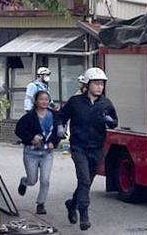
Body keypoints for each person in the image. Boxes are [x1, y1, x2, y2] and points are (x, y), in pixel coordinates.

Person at [58, 67, 118, 231]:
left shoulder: (106, 103)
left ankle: (72, 204)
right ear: (87, 84)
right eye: (96, 83)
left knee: (87, 182)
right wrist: (60, 127)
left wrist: (109, 120)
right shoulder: (75, 102)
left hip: (97, 148)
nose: (100, 87)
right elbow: (61, 116)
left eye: (102, 84)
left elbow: (115, 122)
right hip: (79, 147)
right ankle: (84, 215)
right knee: (84, 180)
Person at [15, 91, 61, 215]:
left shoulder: (54, 116)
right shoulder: (29, 117)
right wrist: (31, 138)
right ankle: (24, 182)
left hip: (47, 153)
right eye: (41, 99)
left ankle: (41, 203)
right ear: (35, 101)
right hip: (31, 153)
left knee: (45, 180)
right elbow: (19, 130)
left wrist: (54, 142)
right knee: (32, 179)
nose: (44, 101)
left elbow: (59, 131)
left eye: (47, 99)